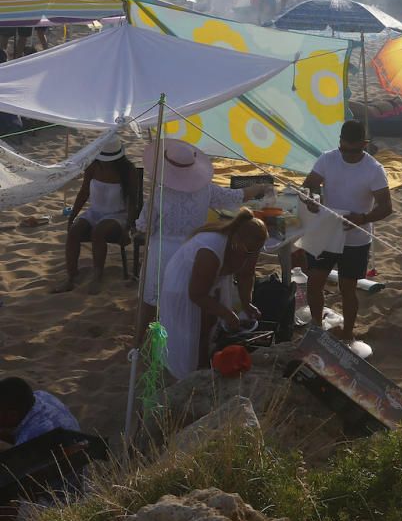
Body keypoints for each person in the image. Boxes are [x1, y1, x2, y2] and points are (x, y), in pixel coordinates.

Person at [135, 140, 269, 345]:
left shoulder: (159, 192)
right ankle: (177, 344)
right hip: (193, 253)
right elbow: (233, 197)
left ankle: (137, 344)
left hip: (162, 250)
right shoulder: (204, 189)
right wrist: (259, 187)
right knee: (186, 303)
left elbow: (144, 226)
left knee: (150, 303)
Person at [301, 120, 392, 343]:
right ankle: (316, 325)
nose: (350, 154)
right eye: (345, 149)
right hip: (327, 230)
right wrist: (313, 198)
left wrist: (362, 218)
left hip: (356, 238)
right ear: (340, 143)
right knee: (314, 281)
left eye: (356, 150)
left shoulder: (374, 169)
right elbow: (309, 183)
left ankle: (348, 332)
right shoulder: (327, 158)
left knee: (347, 289)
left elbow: (386, 207)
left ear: (365, 144)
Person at [159, 209, 267, 380]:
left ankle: (204, 363)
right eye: (248, 253)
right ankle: (193, 372)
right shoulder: (210, 251)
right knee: (195, 328)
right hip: (183, 285)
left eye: (255, 252)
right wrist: (226, 312)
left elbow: (246, 274)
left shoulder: (250, 246)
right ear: (236, 240)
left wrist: (247, 303)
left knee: (210, 324)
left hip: (210, 280)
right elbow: (196, 295)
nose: (251, 257)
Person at [54, 136, 136, 294]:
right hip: (95, 211)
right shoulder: (92, 166)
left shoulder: (128, 170)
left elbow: (133, 201)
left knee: (99, 231)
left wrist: (128, 227)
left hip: (117, 214)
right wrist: (72, 217)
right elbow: (83, 192)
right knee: (74, 231)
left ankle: (97, 276)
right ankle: (71, 277)